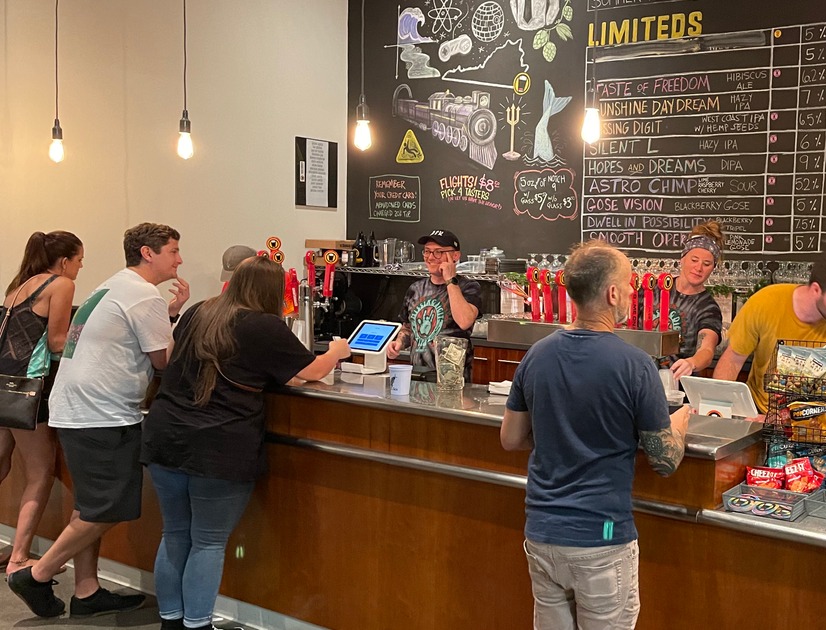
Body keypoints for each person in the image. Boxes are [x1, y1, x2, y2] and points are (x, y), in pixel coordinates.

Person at [142, 256, 350, 630]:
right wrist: (337, 351)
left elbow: (173, 359)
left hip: (165, 435)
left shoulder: (199, 311)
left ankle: (171, 621)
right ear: (273, 292)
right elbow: (313, 371)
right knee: (208, 541)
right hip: (218, 446)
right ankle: (197, 624)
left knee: (174, 534)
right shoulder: (263, 325)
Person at [500, 240, 690, 629]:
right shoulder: (635, 365)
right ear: (612, 293)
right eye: (630, 284)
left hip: (542, 533)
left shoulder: (537, 355)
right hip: (601, 537)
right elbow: (665, 460)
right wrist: (683, 419)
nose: (634, 292)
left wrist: (559, 431)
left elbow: (511, 438)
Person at [8, 223, 191, 619]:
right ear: (148, 253)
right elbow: (164, 360)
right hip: (101, 411)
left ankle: (87, 591)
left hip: (75, 407)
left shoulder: (114, 285)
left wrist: (171, 314)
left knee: (90, 504)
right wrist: (183, 329)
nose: (179, 259)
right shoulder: (144, 295)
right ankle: (36, 575)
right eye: (173, 251)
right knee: (109, 506)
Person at [0, 231, 83, 575]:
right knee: (41, 472)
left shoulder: (19, 285)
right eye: (79, 260)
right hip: (27, 391)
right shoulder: (60, 285)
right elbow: (57, 341)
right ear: (64, 261)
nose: (80, 267)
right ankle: (19, 558)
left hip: (3, 385)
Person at [712, 249, 826, 412]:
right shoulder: (766, 302)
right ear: (816, 289)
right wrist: (720, 409)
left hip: (812, 419)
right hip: (759, 411)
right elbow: (733, 360)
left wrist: (788, 419)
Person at [385, 229, 483, 381]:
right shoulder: (415, 289)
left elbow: (465, 321)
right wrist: (399, 343)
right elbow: (408, 327)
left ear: (455, 256)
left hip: (451, 379)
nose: (430, 257)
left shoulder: (468, 287)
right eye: (427, 251)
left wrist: (450, 279)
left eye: (438, 252)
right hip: (417, 376)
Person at [661, 221, 725, 381]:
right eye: (694, 260)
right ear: (682, 259)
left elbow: (706, 350)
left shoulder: (708, 308)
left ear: (713, 268)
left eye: (707, 264)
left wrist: (691, 363)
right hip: (639, 379)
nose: (699, 268)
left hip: (676, 385)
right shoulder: (656, 288)